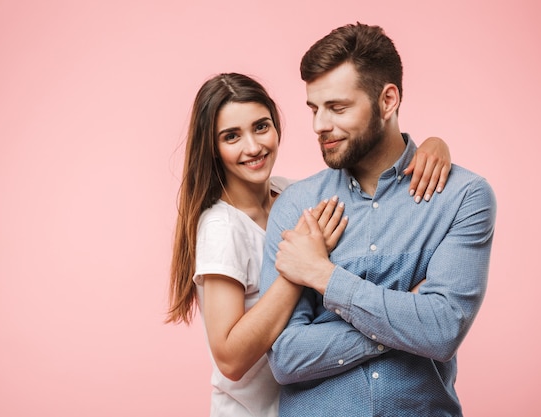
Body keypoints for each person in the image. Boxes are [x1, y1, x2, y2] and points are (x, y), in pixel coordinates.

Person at [166, 73, 452, 417]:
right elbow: (229, 359)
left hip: (307, 402)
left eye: (261, 127)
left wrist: (432, 147)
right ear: (211, 146)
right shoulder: (221, 228)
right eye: (231, 137)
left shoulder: (292, 196)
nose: (253, 147)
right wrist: (299, 269)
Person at [260, 23, 497, 416]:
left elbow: (442, 331)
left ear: (388, 101)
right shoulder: (295, 205)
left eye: (337, 107)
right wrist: (407, 319)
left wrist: (323, 276)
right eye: (314, 109)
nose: (319, 125)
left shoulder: (463, 197)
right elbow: (285, 359)